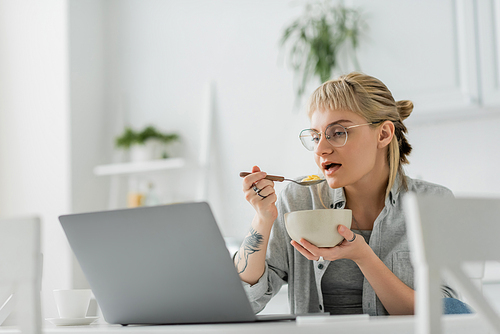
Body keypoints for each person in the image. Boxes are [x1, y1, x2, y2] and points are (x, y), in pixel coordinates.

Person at [234, 72, 471, 316]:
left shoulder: (433, 204)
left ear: (383, 134)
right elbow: (244, 300)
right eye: (316, 136)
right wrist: (262, 219)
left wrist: (363, 257)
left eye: (338, 132)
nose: (321, 149)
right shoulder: (299, 200)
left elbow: (446, 315)